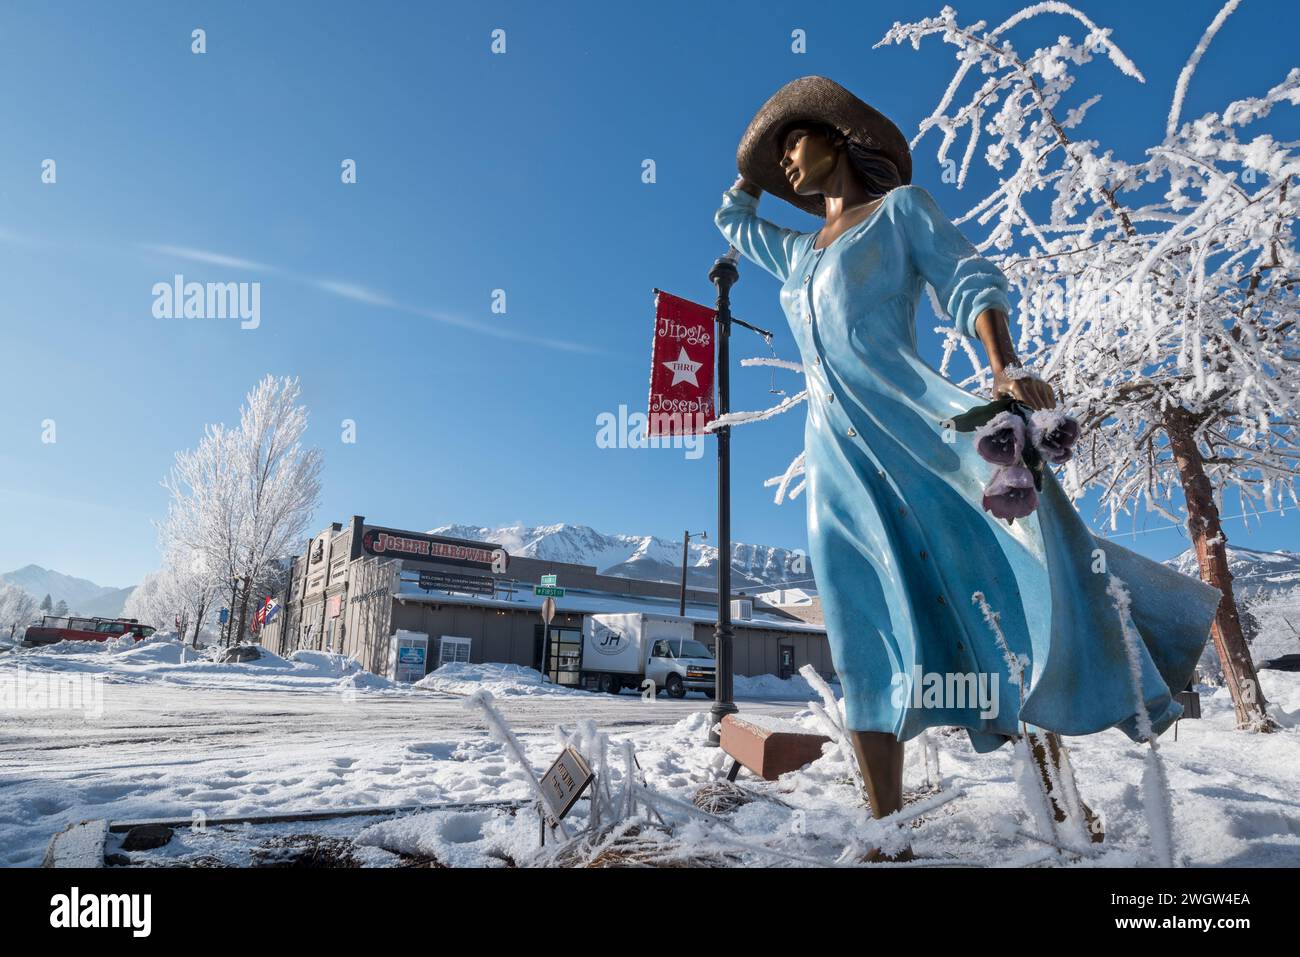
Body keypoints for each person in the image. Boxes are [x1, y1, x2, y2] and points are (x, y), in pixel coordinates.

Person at [715, 76, 1220, 860]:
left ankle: (1059, 802)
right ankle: (885, 833)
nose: (785, 159)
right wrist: (752, 162)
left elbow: (966, 278)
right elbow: (732, 219)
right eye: (777, 150)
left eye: (795, 140)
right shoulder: (793, 254)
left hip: (917, 433)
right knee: (858, 628)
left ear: (841, 139)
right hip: (836, 462)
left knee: (997, 587)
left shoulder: (900, 214)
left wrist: (1004, 364)